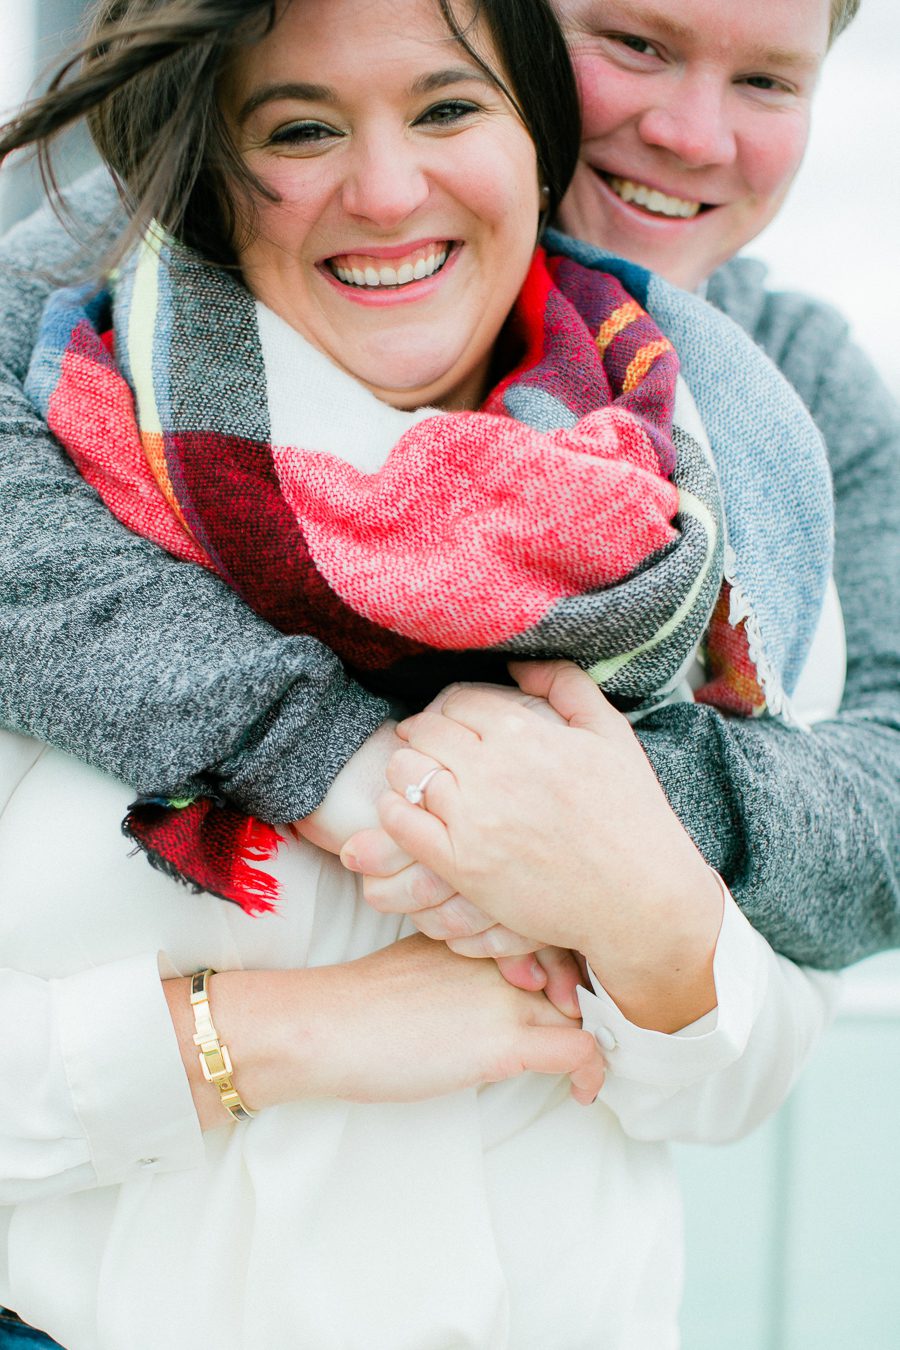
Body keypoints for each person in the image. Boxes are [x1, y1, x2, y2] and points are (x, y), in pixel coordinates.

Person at [0, 1, 840, 1347]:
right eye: (303, 128)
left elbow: (743, 1073)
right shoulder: (62, 493)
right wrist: (274, 1037)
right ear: (214, 171)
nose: (388, 190)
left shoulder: (696, 520)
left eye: (449, 110)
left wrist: (641, 904)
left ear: (536, 143)